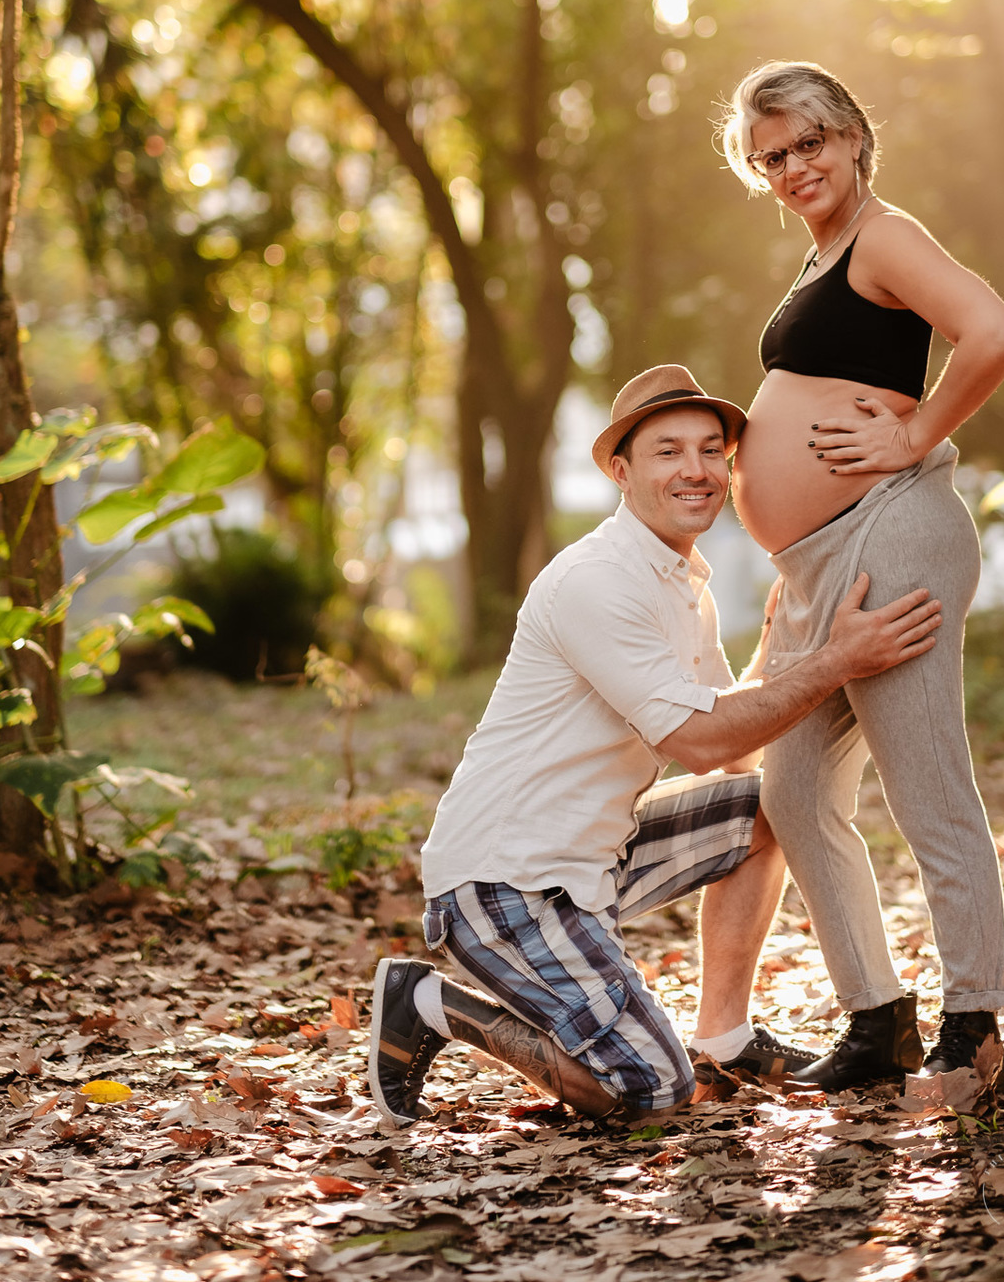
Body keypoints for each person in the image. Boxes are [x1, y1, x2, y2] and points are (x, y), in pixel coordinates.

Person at [367, 364, 943, 1129]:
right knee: (650, 1093)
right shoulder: (595, 582)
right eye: (668, 451)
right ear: (620, 470)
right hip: (503, 883)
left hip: (593, 860)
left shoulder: (683, 584)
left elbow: (734, 748)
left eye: (712, 450)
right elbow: (698, 741)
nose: (697, 470)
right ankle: (431, 1005)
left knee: (774, 805)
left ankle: (725, 1035)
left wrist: (782, 650)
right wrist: (833, 661)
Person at [719, 59, 1004, 1094]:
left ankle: (975, 1027)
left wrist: (920, 433)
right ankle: (878, 1020)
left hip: (892, 532)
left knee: (926, 779)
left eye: (809, 142)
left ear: (851, 135)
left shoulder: (886, 235)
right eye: (771, 157)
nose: (794, 166)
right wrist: (787, 552)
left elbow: (994, 331)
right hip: (821, 565)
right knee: (795, 790)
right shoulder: (822, 257)